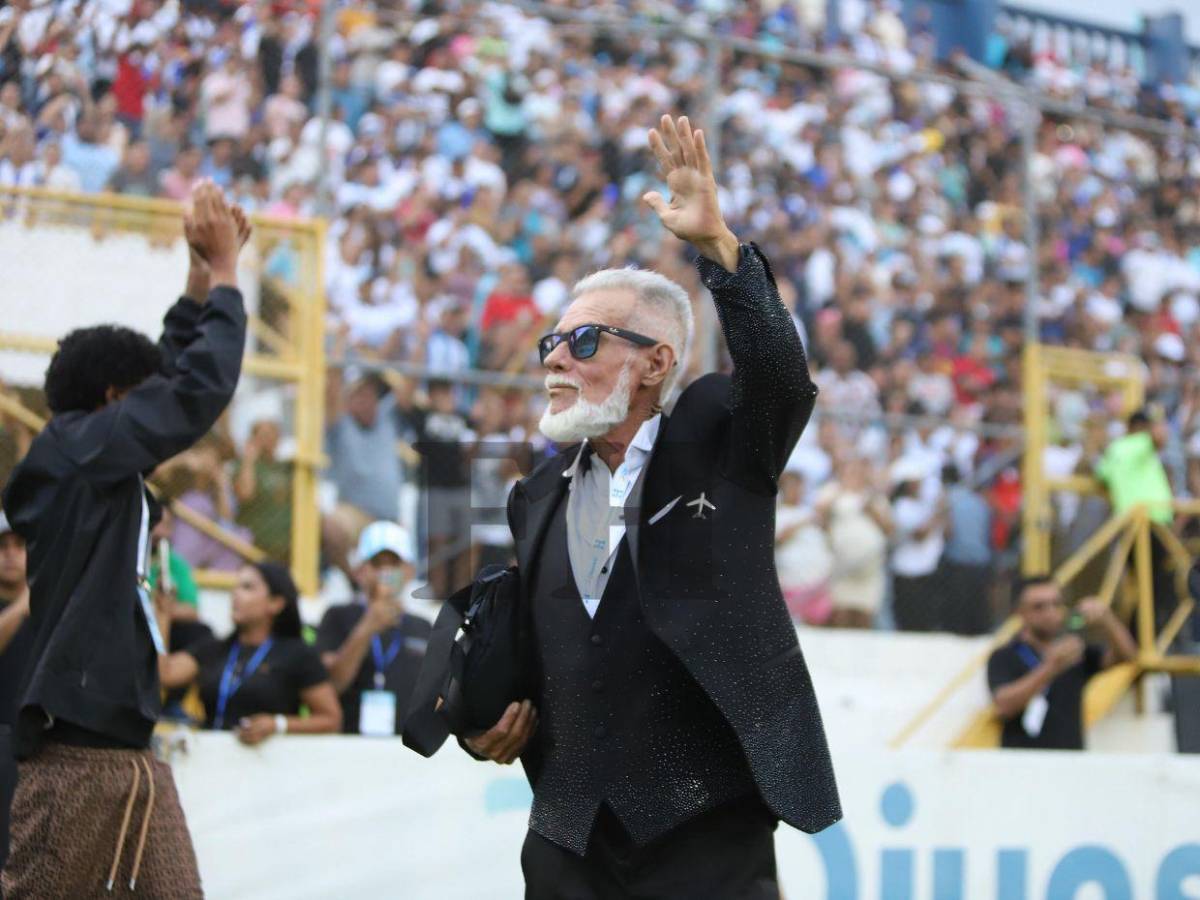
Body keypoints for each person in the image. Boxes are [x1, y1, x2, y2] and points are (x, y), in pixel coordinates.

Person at [457, 116, 840, 898]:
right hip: (567, 835)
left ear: (656, 362)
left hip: (705, 827)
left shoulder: (719, 442)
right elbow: (533, 650)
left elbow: (779, 375)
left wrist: (720, 249)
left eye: (586, 341)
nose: (557, 359)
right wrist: (479, 721)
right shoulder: (533, 498)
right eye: (552, 345)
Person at [1, 181, 247, 898]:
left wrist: (199, 281)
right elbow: (191, 390)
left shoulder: (96, 461)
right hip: (73, 763)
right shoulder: (75, 451)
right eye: (137, 397)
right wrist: (231, 277)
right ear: (112, 401)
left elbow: (169, 374)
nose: (152, 407)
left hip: (134, 758)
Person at [158, 563, 341, 745]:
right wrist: (163, 614)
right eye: (235, 587)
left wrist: (278, 724)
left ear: (275, 603)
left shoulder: (297, 654)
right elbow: (164, 674)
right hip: (213, 761)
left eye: (247, 587)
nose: (235, 594)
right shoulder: (215, 648)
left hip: (269, 767)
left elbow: (331, 719)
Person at [987, 576, 1137, 750]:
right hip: (1023, 764)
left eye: (1056, 604)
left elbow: (1128, 656)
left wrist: (1107, 619)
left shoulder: (1075, 652)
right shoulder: (1005, 655)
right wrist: (1050, 668)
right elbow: (1003, 705)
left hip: (1069, 763)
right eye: (1039, 607)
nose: (1050, 612)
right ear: (1019, 612)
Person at [316, 522, 431, 737]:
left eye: (394, 564)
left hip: (406, 750)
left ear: (409, 571)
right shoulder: (337, 616)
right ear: (360, 571)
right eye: (377, 564)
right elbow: (331, 686)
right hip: (347, 746)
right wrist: (368, 626)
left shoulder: (423, 627)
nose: (385, 572)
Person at [816, 455, 892, 629]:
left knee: (864, 617)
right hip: (840, 567)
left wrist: (870, 509)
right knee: (840, 615)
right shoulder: (832, 492)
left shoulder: (874, 498)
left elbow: (889, 529)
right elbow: (820, 517)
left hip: (869, 570)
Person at [0, 512, 28, 881]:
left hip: (35, 751)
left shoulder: (51, 609)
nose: (10, 554)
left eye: (21, 545)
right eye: (2, 546)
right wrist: (23, 605)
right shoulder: (29, 606)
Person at [889, 458, 945, 632]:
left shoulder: (922, 505)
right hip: (908, 574)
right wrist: (940, 511)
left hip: (926, 572)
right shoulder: (901, 506)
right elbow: (920, 534)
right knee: (910, 622)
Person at [775, 469, 834, 626]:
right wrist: (804, 522)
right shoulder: (777, 513)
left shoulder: (810, 512)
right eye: (792, 487)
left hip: (816, 580)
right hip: (791, 581)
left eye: (799, 487)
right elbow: (778, 540)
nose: (796, 491)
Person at [940, 464, 994, 635]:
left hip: (958, 562)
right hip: (981, 561)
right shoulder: (978, 501)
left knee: (958, 614)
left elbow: (948, 532)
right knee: (977, 611)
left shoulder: (948, 499)